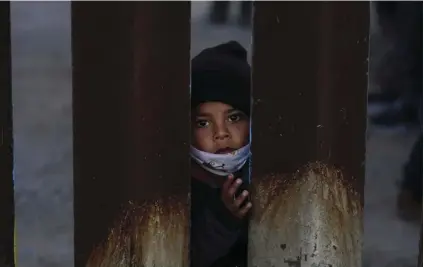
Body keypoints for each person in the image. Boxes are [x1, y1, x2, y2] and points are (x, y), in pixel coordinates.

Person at [190, 40, 252, 267]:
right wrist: (225, 218)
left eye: (234, 117)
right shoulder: (178, 185)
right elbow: (189, 255)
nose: (221, 133)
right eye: (203, 123)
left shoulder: (262, 170)